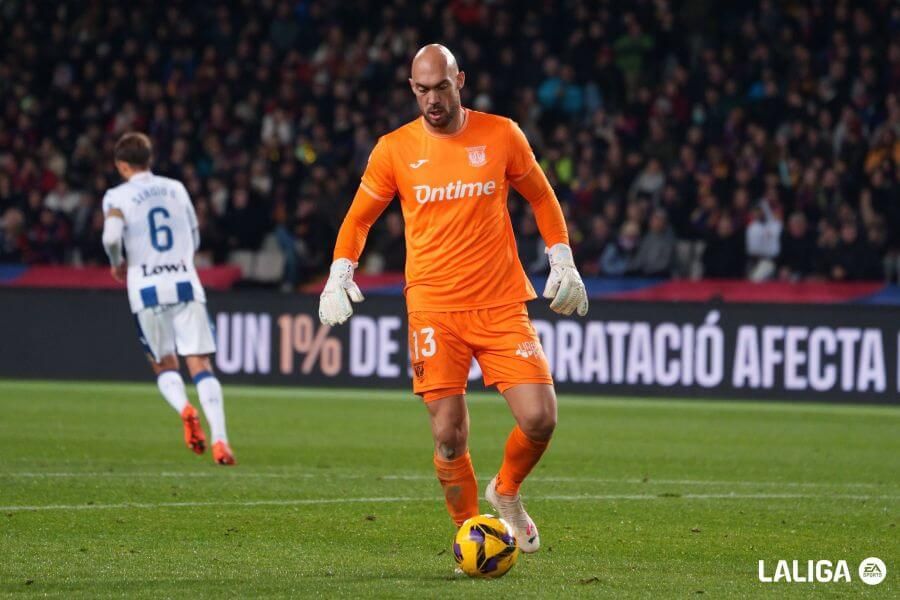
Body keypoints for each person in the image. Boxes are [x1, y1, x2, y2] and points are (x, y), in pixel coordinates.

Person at [318, 45, 588, 554]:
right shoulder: (394, 148)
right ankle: (472, 533)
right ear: (411, 89)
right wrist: (340, 270)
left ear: (459, 79)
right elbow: (359, 218)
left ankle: (505, 492)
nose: (432, 99)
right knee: (449, 435)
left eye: (441, 87)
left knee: (540, 418)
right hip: (433, 307)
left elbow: (541, 195)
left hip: (500, 300)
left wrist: (562, 257)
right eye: (421, 90)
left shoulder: (502, 133)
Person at [101, 132, 235, 465]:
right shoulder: (176, 188)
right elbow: (194, 233)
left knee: (163, 363)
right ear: (149, 159)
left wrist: (117, 261)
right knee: (200, 364)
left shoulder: (117, 196)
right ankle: (220, 440)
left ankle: (184, 409)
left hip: (146, 287)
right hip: (185, 282)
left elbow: (112, 235)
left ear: (122, 165)